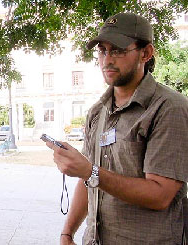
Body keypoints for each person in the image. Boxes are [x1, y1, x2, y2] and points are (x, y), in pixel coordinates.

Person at [45, 12, 188, 244]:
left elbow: (160, 194)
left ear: (146, 53)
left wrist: (90, 171)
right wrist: (67, 232)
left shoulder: (169, 109)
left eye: (118, 50)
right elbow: (87, 178)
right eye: (102, 50)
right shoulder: (98, 111)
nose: (107, 59)